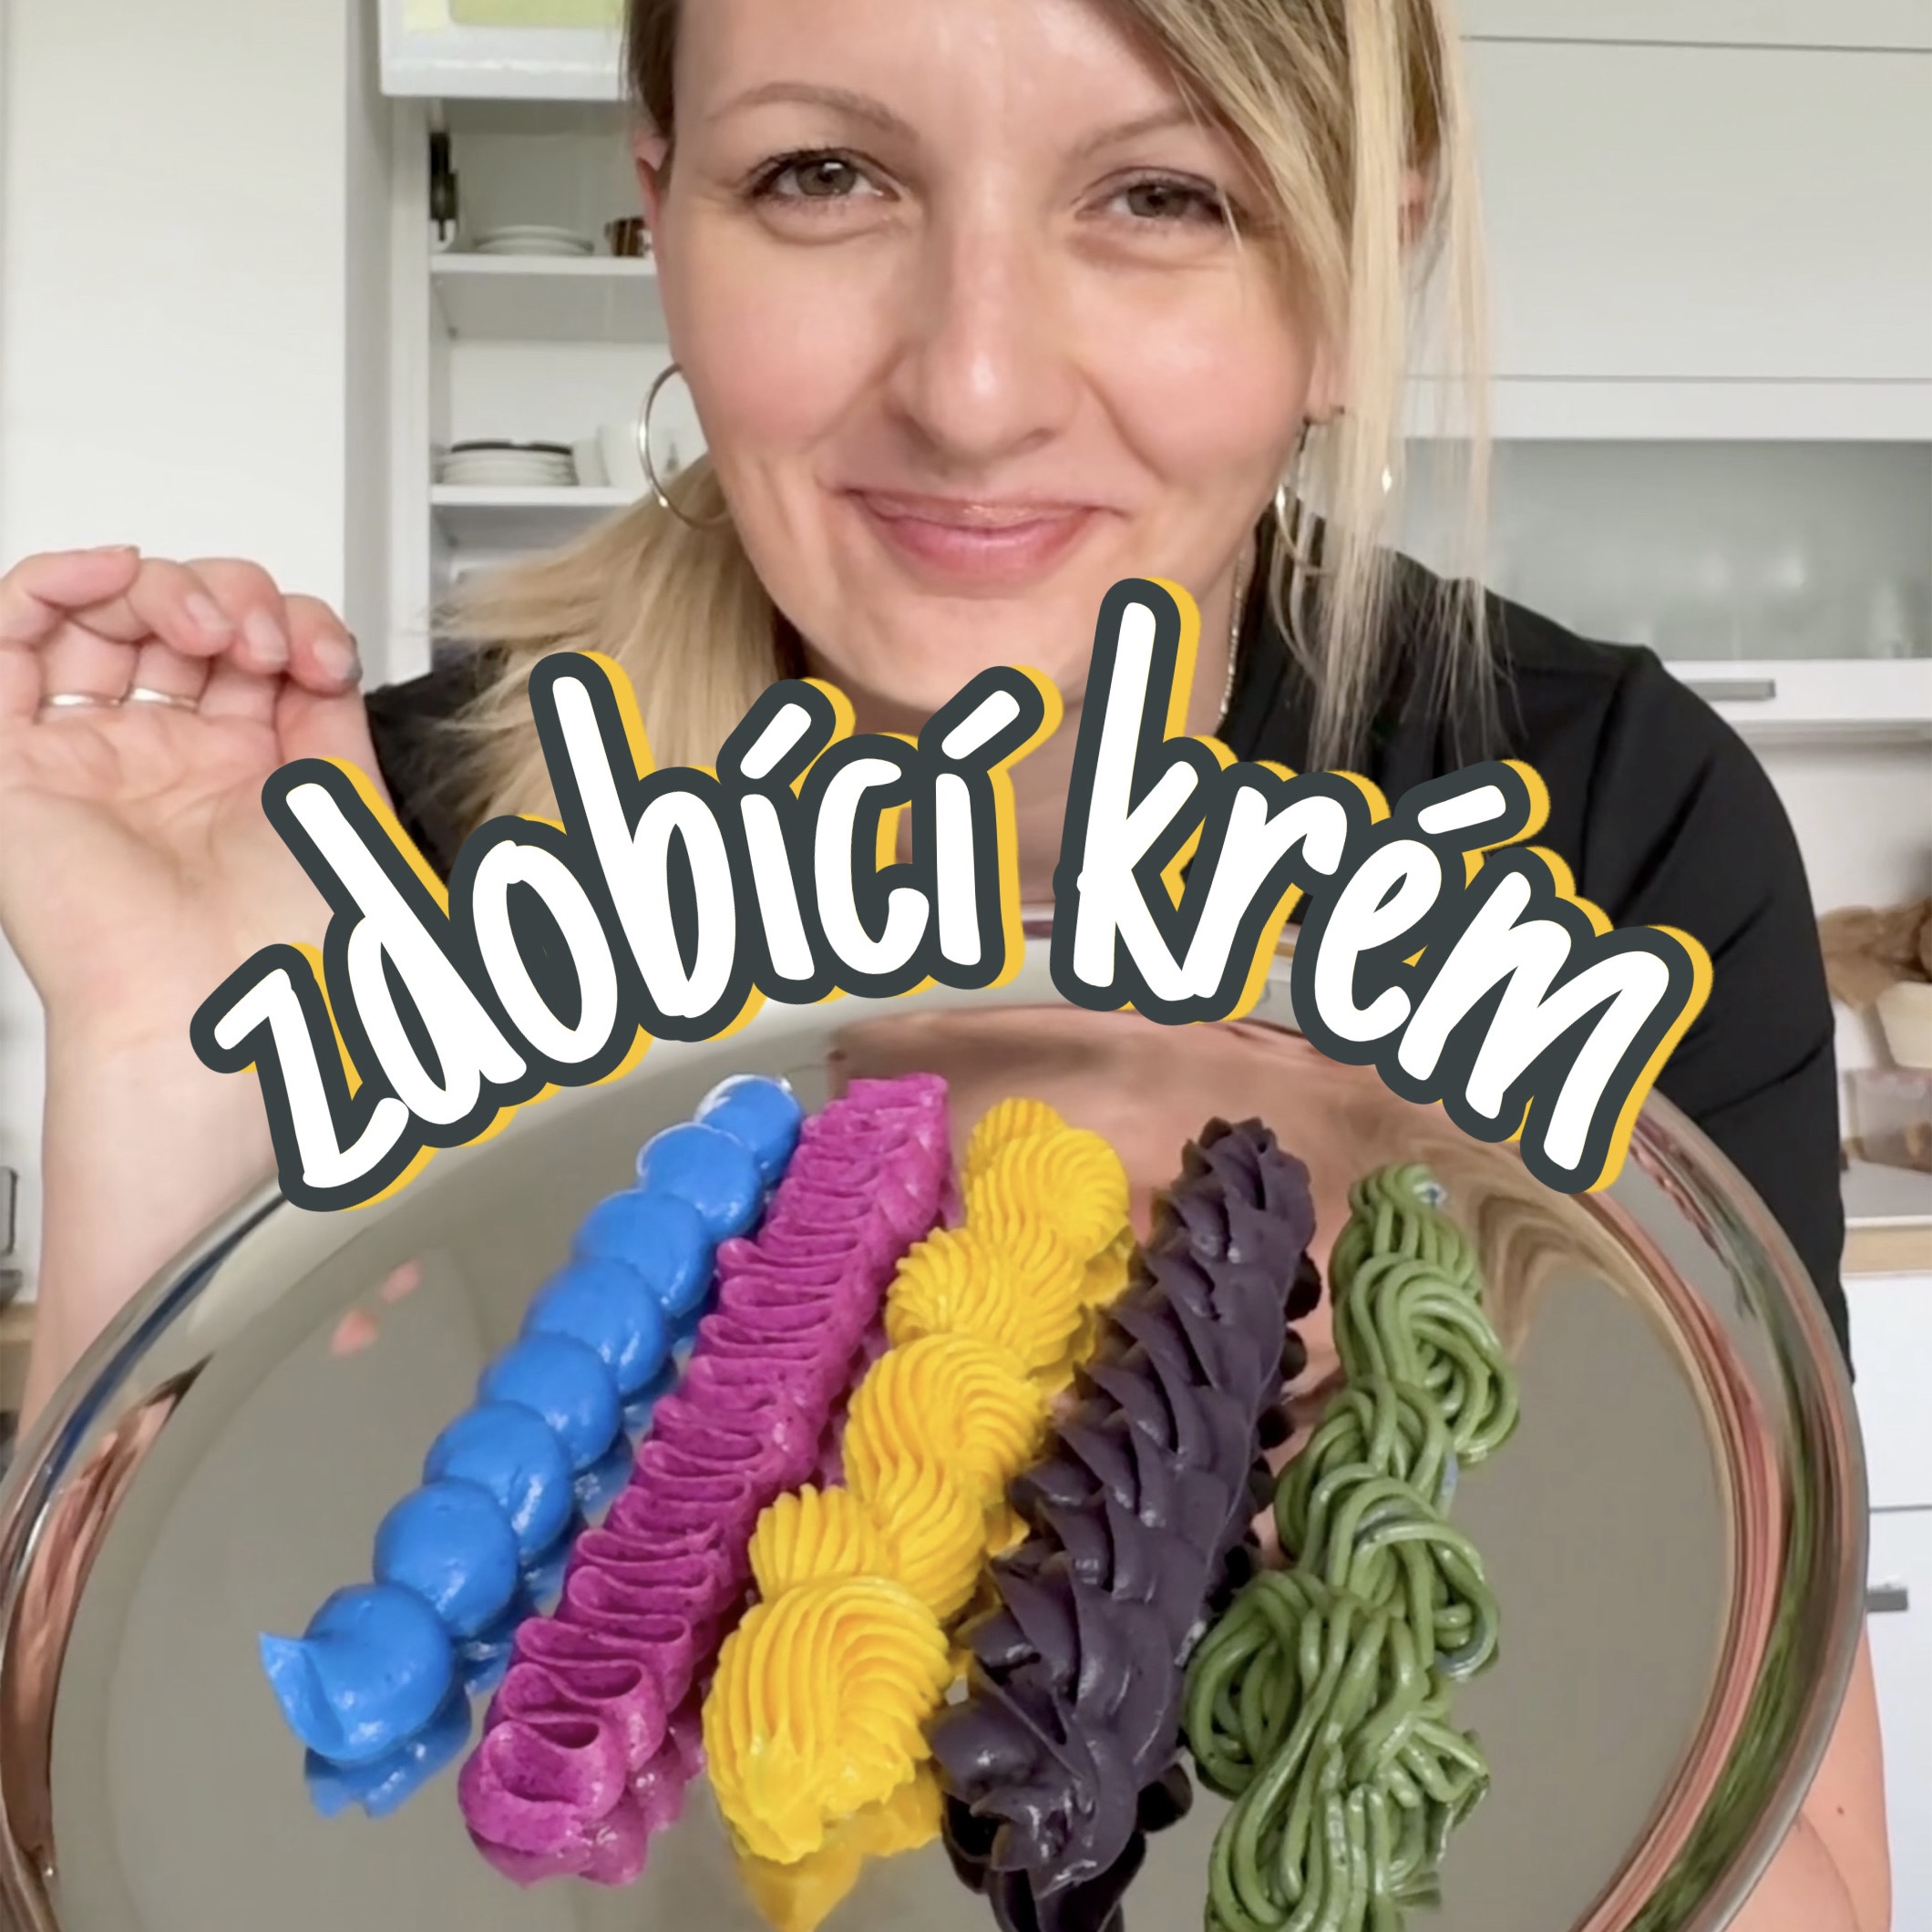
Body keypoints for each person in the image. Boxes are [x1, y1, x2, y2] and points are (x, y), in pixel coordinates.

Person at [0, 0, 1887, 1922]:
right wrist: (164, 1057)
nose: (974, 389)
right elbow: (158, 1828)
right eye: (821, 175)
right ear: (663, 211)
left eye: (1163, 196)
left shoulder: (1600, 832)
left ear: (1353, 271)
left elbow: (1799, 1855)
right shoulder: (374, 851)